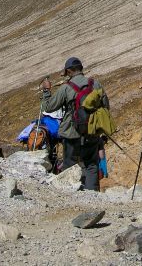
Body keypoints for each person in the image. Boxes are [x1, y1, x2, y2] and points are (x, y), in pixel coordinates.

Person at [40, 56, 105, 191]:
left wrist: (46, 91)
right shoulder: (96, 84)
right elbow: (105, 106)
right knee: (91, 164)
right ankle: (92, 195)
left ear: (69, 71)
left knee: (70, 163)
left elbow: (48, 107)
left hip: (71, 133)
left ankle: (71, 193)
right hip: (92, 132)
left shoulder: (66, 88)